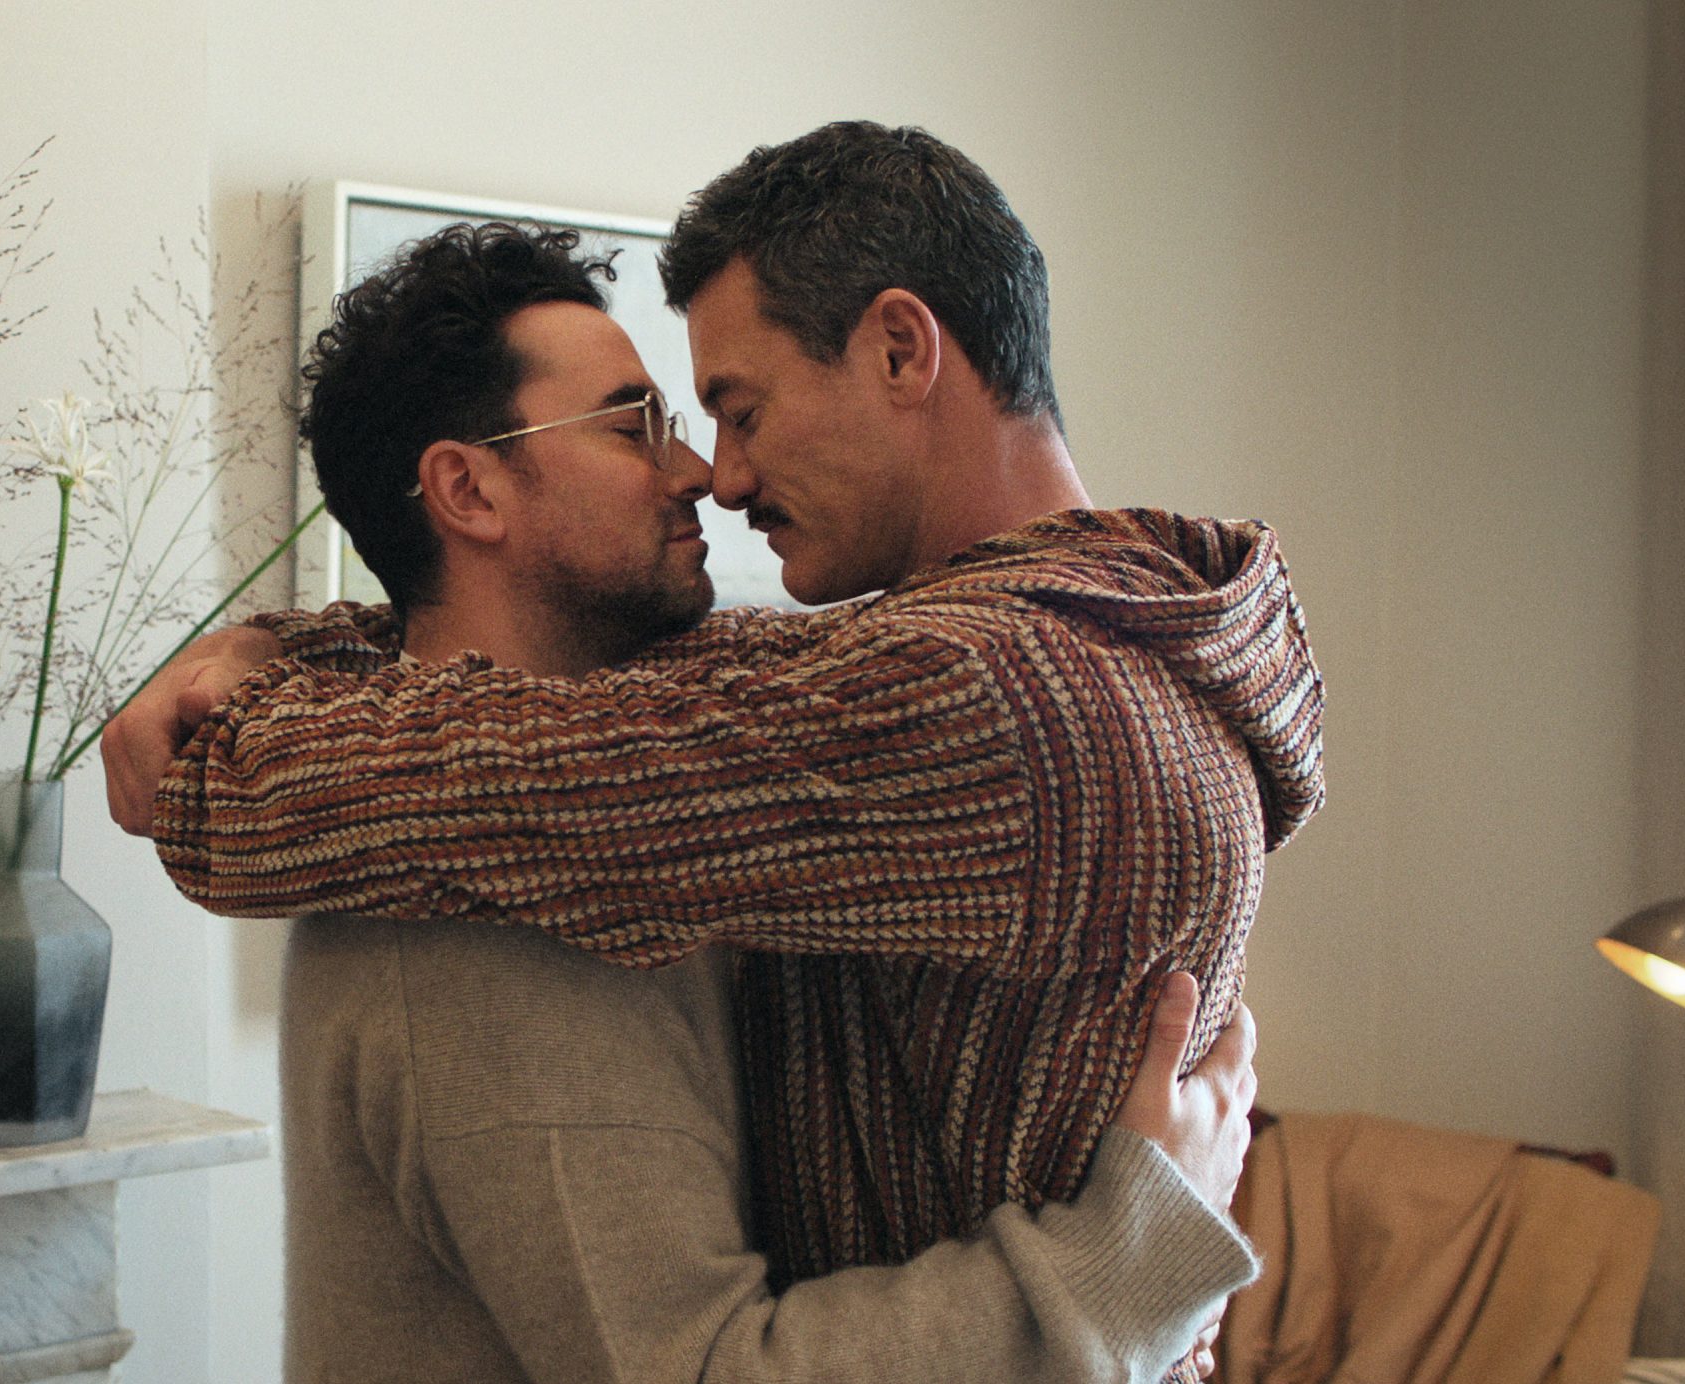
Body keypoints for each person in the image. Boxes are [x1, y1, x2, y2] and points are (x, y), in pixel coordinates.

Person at [122, 221, 1263, 1381]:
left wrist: (277, 650)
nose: (699, 476)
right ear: (467, 489)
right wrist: (1129, 1263)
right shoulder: (469, 908)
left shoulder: (670, 765)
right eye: (633, 427)